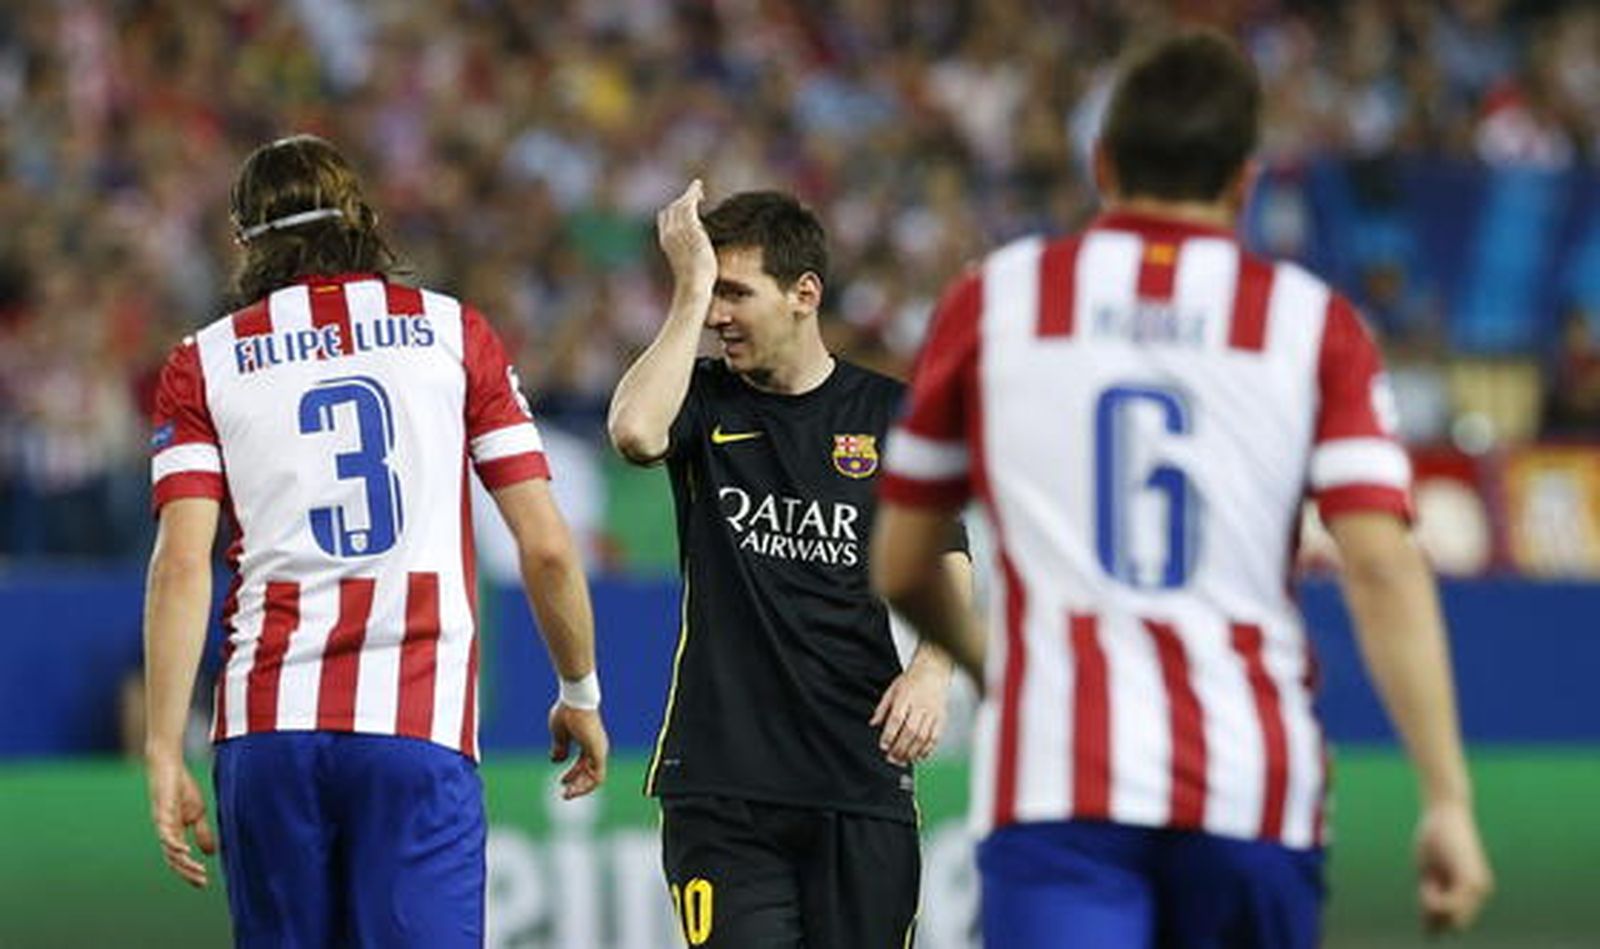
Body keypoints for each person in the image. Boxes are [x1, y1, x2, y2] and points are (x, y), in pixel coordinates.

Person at [870, 30, 1493, 949]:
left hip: (1056, 781)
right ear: (1245, 181)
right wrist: (1446, 797)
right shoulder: (1311, 324)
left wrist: (994, 667)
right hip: (1249, 785)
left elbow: (902, 560)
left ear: (1102, 163)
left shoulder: (994, 301)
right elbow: (1383, 567)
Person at [142, 134, 608, 948]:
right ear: (361, 221)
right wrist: (580, 690)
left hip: (268, 724)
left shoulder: (202, 362)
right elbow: (546, 546)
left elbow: (183, 565)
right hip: (415, 720)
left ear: (244, 239)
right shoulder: (454, 333)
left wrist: (160, 746)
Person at [608, 183, 969, 948]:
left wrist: (933, 669)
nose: (717, 315)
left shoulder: (888, 414)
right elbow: (635, 432)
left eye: (734, 292)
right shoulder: (703, 399)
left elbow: (946, 550)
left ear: (804, 293)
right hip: (723, 784)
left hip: (858, 775)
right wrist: (689, 289)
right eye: (711, 294)